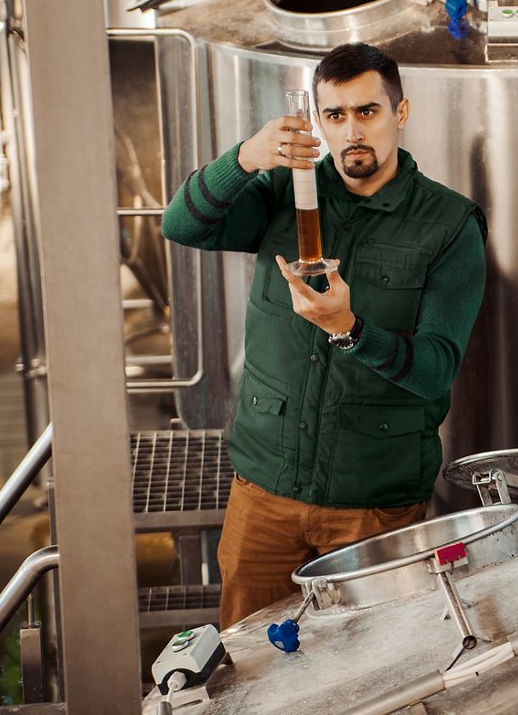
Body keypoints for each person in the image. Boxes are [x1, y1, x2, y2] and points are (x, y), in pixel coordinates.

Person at [161, 43, 486, 629]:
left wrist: (350, 329)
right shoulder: (283, 192)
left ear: (401, 113)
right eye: (334, 116)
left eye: (368, 112)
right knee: (248, 670)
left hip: (375, 509)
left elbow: (437, 367)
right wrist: (245, 158)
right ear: (317, 121)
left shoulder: (449, 224)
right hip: (264, 495)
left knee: (380, 675)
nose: (352, 131)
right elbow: (180, 224)